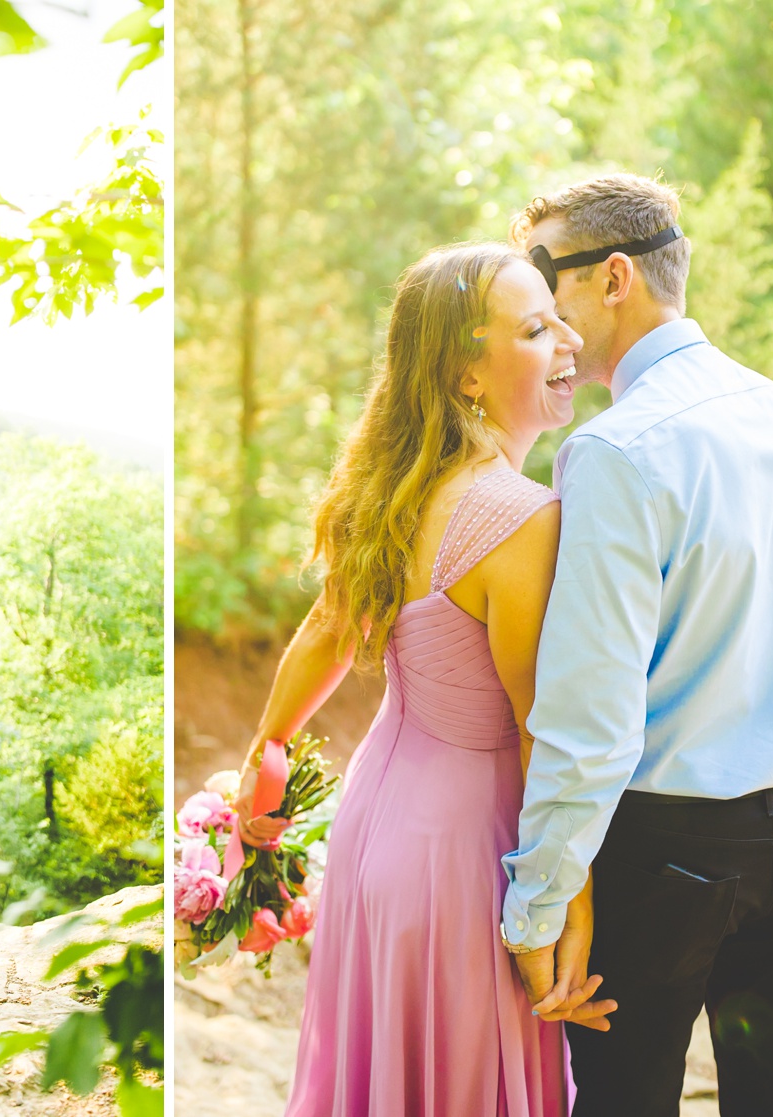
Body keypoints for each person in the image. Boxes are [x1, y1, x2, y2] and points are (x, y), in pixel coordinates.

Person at [238, 241, 614, 1117]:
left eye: (559, 317)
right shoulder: (523, 517)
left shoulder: (395, 490)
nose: (568, 341)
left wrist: (268, 751)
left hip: (376, 831)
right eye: (534, 329)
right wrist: (559, 903)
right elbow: (539, 726)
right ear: (467, 375)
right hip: (463, 856)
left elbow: (329, 630)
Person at [502, 174, 773, 1116]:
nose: (539, 306)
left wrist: (538, 902)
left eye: (545, 276)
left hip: (668, 854)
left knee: (620, 1100)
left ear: (615, 278)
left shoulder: (618, 451)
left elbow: (590, 709)